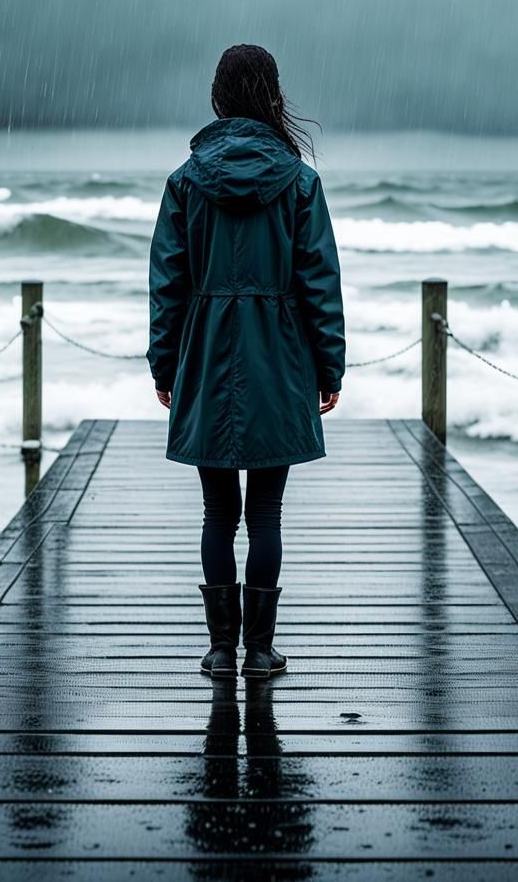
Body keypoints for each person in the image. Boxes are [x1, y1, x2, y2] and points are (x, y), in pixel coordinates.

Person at [146, 43, 345, 680]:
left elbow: (167, 284)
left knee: (216, 513)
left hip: (205, 355)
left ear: (219, 96)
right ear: (272, 96)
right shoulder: (300, 181)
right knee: (264, 514)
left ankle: (219, 650)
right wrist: (329, 367)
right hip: (281, 360)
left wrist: (164, 365)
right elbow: (320, 283)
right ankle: (259, 651)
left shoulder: (185, 181)